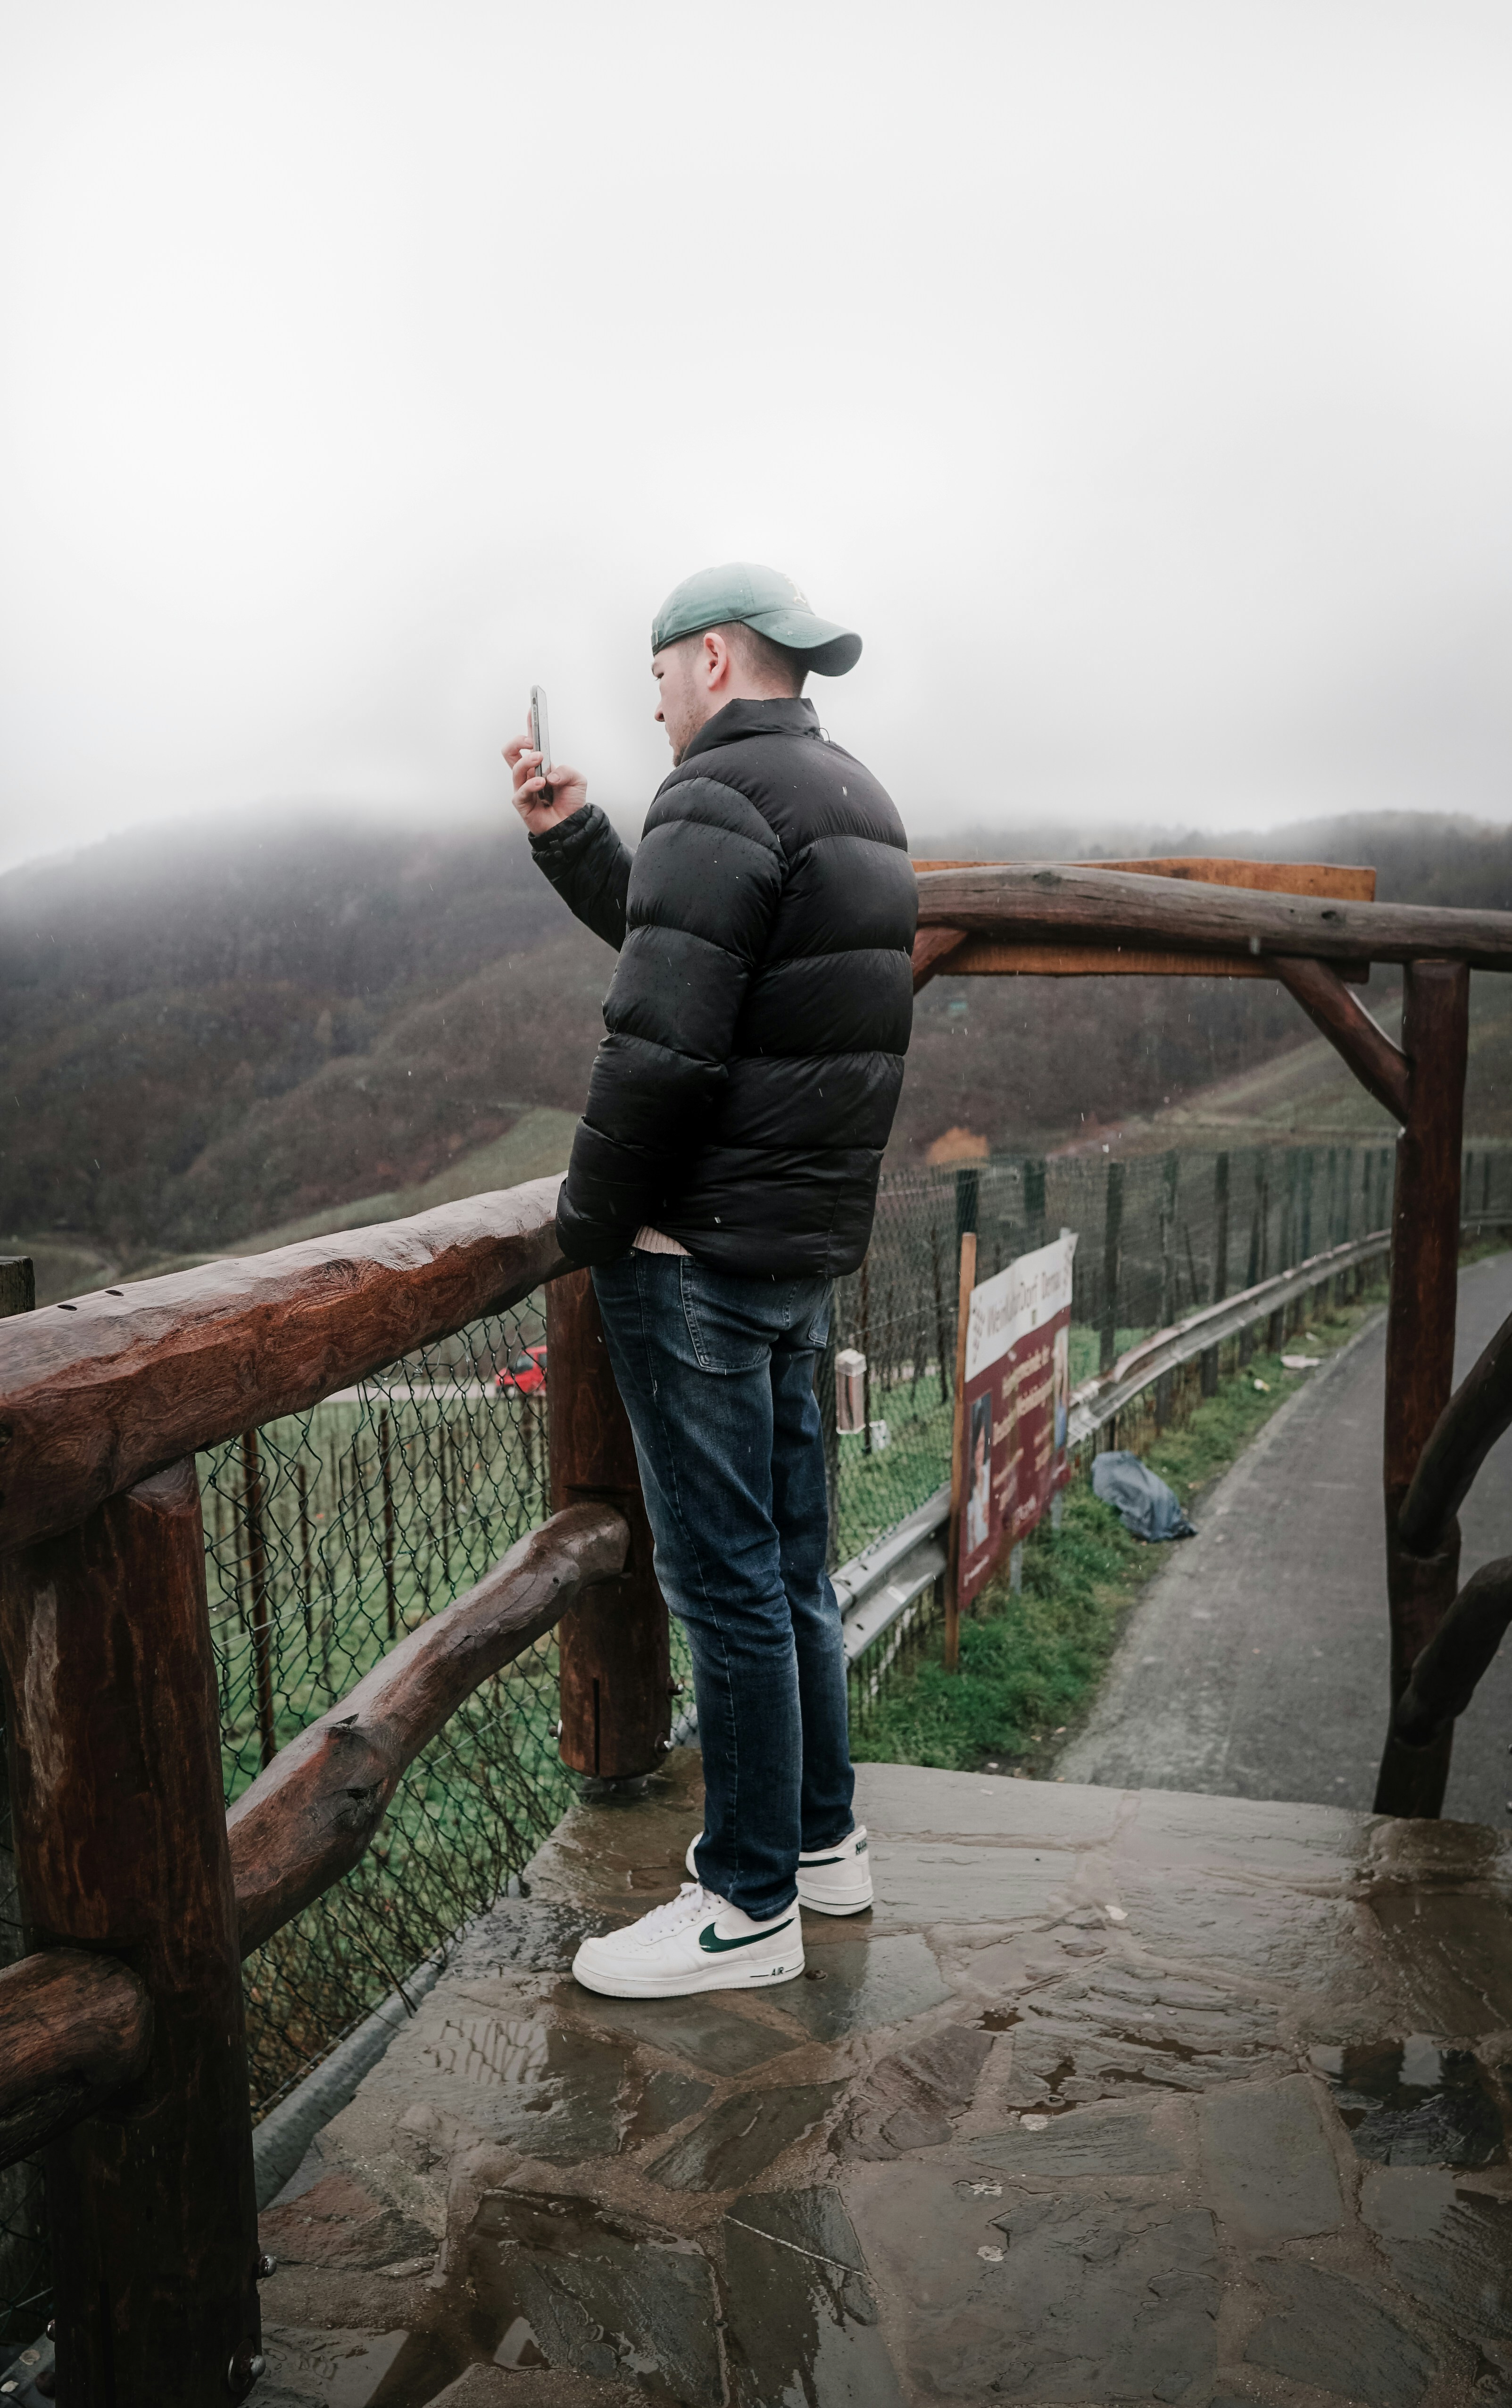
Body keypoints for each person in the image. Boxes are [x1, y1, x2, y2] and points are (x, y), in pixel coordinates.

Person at [503, 563, 916, 1999]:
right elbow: (711, 957)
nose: (655, 698)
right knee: (788, 1565)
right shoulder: (854, 799)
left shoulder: (717, 795)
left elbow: (663, 1041)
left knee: (724, 1580)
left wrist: (587, 1225)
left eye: (663, 672)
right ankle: (818, 1841)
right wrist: (579, 846)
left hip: (693, 1257)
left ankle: (742, 1903)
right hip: (794, 1251)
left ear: (719, 659)